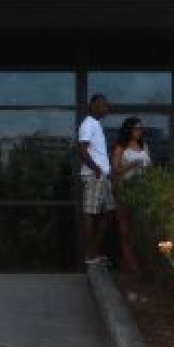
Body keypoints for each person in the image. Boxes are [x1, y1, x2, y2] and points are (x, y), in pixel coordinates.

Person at [76, 94, 113, 265]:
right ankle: (89, 254)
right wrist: (95, 168)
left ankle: (94, 251)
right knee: (90, 213)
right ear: (94, 106)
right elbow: (81, 149)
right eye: (103, 105)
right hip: (94, 176)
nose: (106, 109)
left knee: (106, 212)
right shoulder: (88, 123)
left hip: (102, 176)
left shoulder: (96, 124)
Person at [111, 117, 151, 273]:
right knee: (125, 228)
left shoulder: (144, 146)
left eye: (141, 128)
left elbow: (150, 166)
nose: (139, 131)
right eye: (136, 128)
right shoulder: (121, 148)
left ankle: (141, 261)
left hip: (143, 190)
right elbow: (114, 171)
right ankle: (129, 262)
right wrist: (131, 166)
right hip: (126, 189)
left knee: (140, 227)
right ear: (129, 130)